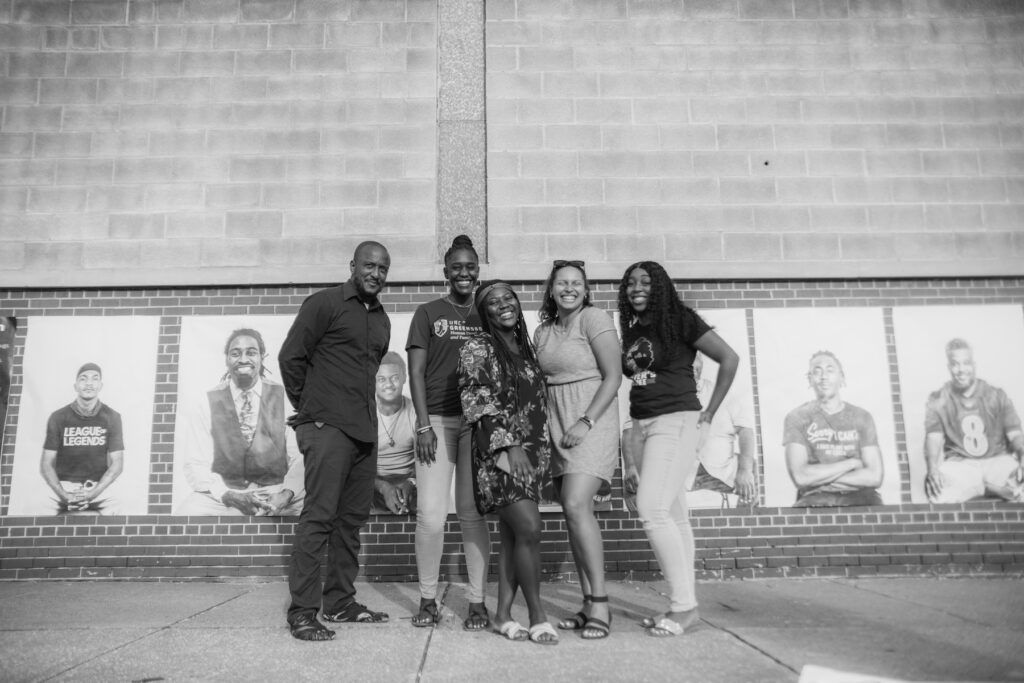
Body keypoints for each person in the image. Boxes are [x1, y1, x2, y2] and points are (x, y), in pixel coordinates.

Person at [278, 241, 392, 642]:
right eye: (369, 265)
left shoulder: (381, 320)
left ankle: (340, 601)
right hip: (327, 428)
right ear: (353, 266)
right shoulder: (323, 303)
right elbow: (290, 357)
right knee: (319, 518)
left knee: (350, 523)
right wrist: (312, 410)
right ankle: (303, 613)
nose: (375, 273)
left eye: (382, 268)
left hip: (364, 432)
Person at [618, 261, 738, 638]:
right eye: (631, 283)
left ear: (661, 287)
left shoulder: (681, 320)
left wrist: (709, 415)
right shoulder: (634, 327)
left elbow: (729, 359)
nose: (637, 288)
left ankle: (685, 607)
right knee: (674, 514)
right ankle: (682, 604)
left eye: (646, 282)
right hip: (644, 424)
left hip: (676, 420)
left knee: (651, 509)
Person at [459, 280, 557, 645]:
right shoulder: (478, 347)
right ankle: (537, 615)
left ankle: (501, 615)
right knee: (530, 528)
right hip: (498, 456)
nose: (503, 305)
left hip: (531, 456)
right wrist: (508, 446)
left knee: (515, 536)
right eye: (493, 302)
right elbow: (476, 400)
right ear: (484, 313)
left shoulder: (524, 348)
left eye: (508, 298)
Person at [406, 235, 491, 630]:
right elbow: (416, 372)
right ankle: (427, 599)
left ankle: (476, 602)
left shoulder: (488, 311)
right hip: (436, 422)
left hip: (476, 424)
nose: (464, 272)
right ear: (445, 272)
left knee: (472, 514)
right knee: (432, 517)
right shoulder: (428, 312)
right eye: (456, 267)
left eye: (470, 266)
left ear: (478, 270)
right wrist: (423, 424)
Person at [534, 259, 621, 640]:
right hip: (557, 423)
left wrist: (585, 421)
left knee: (574, 504)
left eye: (576, 283)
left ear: (586, 290)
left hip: (590, 420)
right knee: (573, 513)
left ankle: (601, 603)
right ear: (551, 290)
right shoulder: (542, 332)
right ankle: (587, 603)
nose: (568, 288)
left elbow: (614, 376)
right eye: (561, 283)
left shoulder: (594, 318)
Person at [176, 328, 303, 516]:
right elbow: (195, 462)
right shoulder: (206, 402)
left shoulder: (285, 398)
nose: (243, 359)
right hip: (227, 493)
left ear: (262, 357)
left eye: (251, 352)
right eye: (235, 353)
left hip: (275, 491)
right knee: (186, 513)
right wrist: (227, 495)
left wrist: (286, 494)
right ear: (226, 359)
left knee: (315, 511)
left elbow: (301, 456)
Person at [924, 338, 1024, 503]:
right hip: (961, 464)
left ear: (974, 365)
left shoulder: (996, 395)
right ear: (949, 367)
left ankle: (987, 487)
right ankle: (990, 489)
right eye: (955, 364)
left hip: (997, 460)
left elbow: (1015, 435)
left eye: (966, 363)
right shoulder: (938, 399)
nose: (961, 369)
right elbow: (933, 438)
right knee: (937, 494)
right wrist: (932, 469)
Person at [783, 350, 884, 508]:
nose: (823, 376)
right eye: (817, 371)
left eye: (830, 370)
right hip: (815, 498)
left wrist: (818, 478)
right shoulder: (797, 417)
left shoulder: (862, 417)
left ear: (841, 378)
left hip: (861, 497)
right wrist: (852, 464)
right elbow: (800, 477)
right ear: (810, 379)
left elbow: (874, 476)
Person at [39, 363, 125, 515]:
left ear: (100, 385)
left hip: (97, 485)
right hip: (64, 484)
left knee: (120, 503)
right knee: (37, 504)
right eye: (83, 379)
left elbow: (117, 463)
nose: (89, 383)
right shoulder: (58, 417)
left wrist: (93, 494)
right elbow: (46, 463)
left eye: (95, 379)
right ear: (76, 386)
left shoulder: (112, 416)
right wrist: (63, 495)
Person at [688, 352, 757, 508]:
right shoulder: (666, 395)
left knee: (753, 469)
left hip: (724, 472)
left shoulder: (720, 392)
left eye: (695, 359)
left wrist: (745, 470)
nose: (692, 366)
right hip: (687, 475)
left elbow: (746, 430)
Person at [373, 351, 417, 515]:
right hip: (374, 482)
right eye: (381, 379)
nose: (389, 384)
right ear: (373, 381)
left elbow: (426, 461)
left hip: (409, 479)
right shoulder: (364, 414)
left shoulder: (415, 412)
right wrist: (384, 488)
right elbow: (355, 466)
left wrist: (411, 483)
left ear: (405, 377)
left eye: (395, 378)